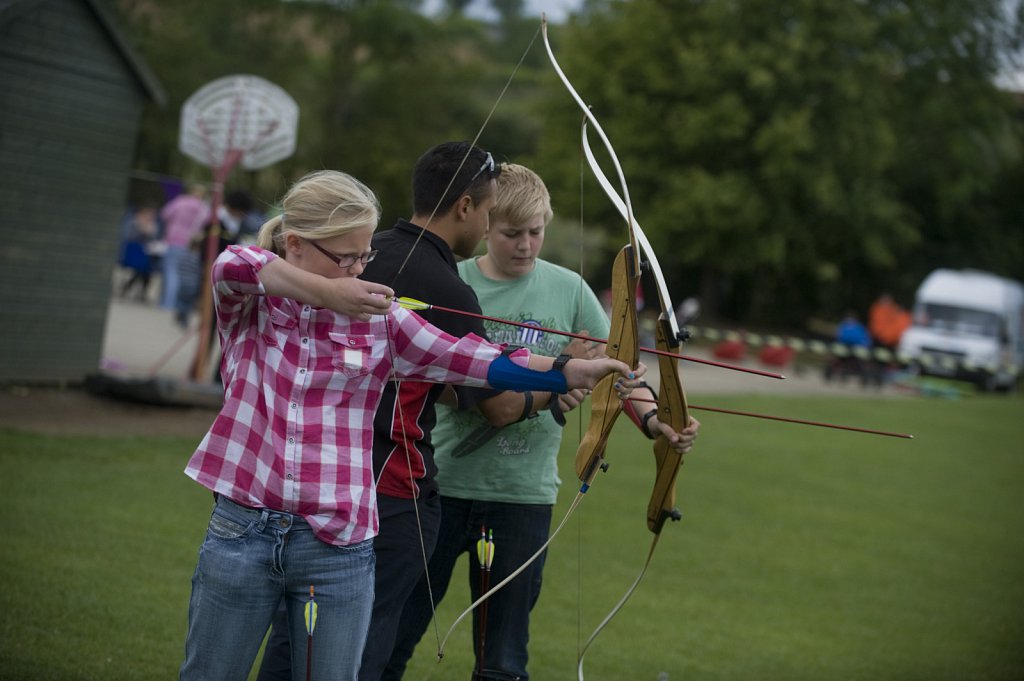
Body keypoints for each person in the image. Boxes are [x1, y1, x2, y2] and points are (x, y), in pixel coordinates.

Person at [183, 164, 638, 681]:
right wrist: (330, 295)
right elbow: (234, 262)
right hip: (243, 531)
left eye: (365, 256)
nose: (359, 270)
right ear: (296, 245)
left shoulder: (385, 322)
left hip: (336, 546)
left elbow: (476, 358)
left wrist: (573, 369)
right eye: (346, 257)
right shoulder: (249, 303)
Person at [383, 164, 701, 681]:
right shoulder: (452, 283)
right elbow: (453, 389)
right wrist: (553, 389)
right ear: (484, 224)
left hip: (522, 495)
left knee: (503, 660)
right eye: (512, 233)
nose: (526, 245)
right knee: (392, 641)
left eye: (536, 232)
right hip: (438, 489)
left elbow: (619, 374)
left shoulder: (569, 290)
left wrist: (658, 424)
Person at [256, 141, 517, 681]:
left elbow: (433, 369)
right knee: (362, 657)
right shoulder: (448, 289)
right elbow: (501, 405)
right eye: (490, 211)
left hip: (310, 487)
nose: (489, 224)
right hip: (390, 493)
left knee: (294, 647)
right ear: (465, 206)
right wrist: (560, 383)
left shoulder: (364, 255)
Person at [159, 183, 210, 310]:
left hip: (174, 240)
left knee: (171, 272)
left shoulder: (180, 201)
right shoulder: (204, 209)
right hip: (191, 244)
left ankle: (167, 303)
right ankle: (178, 303)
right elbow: (208, 224)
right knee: (184, 273)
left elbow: (164, 214)